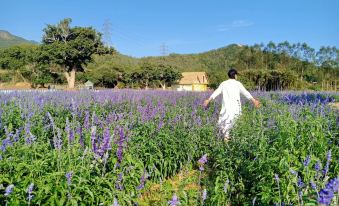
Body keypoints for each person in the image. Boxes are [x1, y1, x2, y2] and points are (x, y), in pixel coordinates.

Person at [203, 69, 260, 140]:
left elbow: (216, 92)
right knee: (236, 124)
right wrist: (254, 101)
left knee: (225, 125)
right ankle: (234, 141)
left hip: (226, 108)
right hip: (236, 108)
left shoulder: (223, 83)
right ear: (235, 75)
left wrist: (208, 100)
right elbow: (246, 93)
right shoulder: (238, 84)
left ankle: (226, 141)